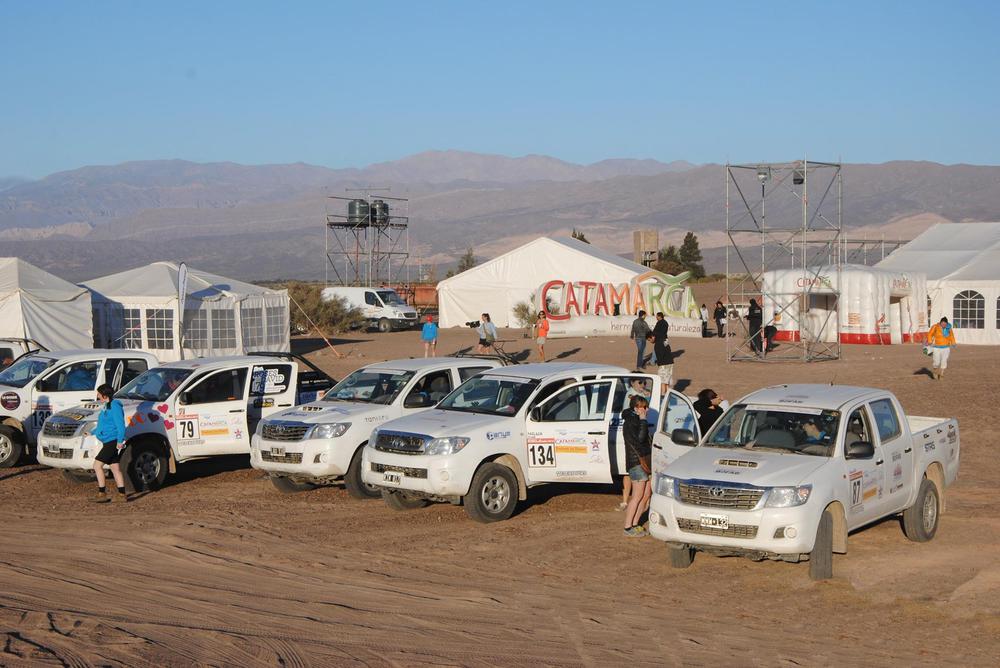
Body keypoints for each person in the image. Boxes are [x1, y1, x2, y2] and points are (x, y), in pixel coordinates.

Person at [91, 384, 128, 503]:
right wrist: (92, 432)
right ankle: (122, 495)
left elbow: (120, 426)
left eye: (99, 394)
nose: (97, 396)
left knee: (97, 466)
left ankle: (102, 493)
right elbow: (104, 424)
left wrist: (120, 441)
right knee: (115, 468)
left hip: (112, 441)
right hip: (107, 440)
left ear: (105, 395)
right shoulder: (106, 406)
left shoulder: (115, 406)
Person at [622, 395, 652, 537]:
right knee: (637, 496)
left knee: (645, 495)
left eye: (647, 407)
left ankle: (635, 524)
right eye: (644, 407)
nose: (647, 410)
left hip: (644, 462)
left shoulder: (636, 420)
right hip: (636, 463)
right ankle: (628, 527)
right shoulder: (631, 421)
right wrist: (643, 420)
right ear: (636, 408)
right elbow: (640, 439)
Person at [653, 330, 674, 394]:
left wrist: (658, 361)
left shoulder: (659, 343)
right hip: (670, 362)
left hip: (664, 364)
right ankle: (667, 394)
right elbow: (669, 350)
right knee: (666, 381)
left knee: (662, 381)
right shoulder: (665, 341)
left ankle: (663, 394)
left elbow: (661, 355)